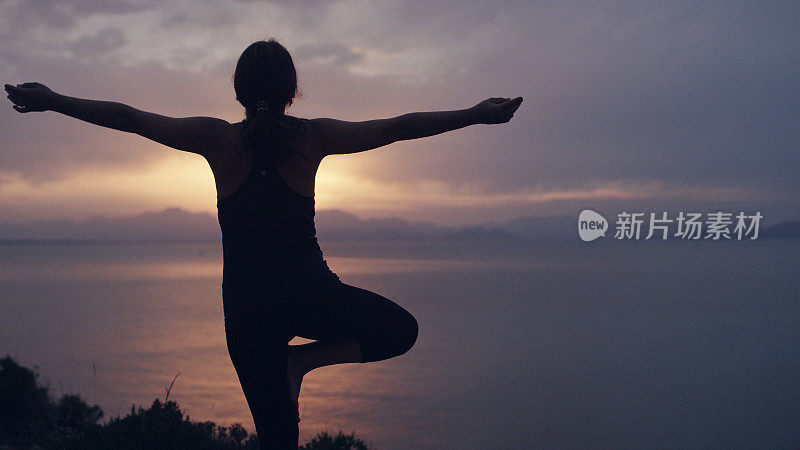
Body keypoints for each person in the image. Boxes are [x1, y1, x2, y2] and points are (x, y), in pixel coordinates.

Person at [4, 38, 523, 449]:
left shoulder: (217, 138)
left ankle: (295, 366)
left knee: (278, 439)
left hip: (248, 314)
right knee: (399, 330)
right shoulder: (312, 136)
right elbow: (398, 128)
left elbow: (131, 118)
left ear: (238, 89)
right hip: (309, 295)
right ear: (292, 88)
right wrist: (473, 113)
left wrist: (53, 101)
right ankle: (303, 363)